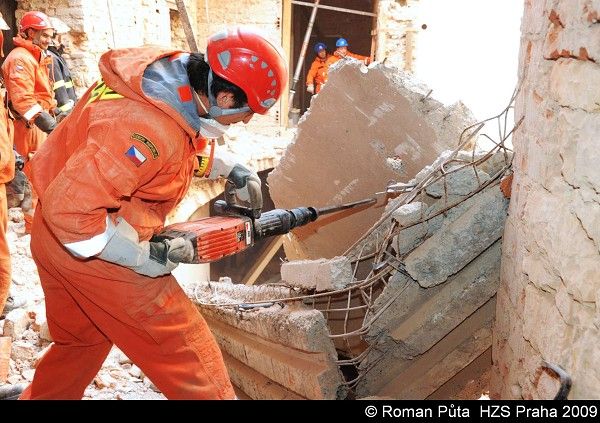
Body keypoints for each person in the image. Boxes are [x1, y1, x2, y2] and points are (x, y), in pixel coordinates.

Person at [20, 27, 287, 399]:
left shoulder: (162, 76)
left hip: (52, 236)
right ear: (224, 95)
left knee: (80, 344)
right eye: (243, 114)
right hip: (93, 242)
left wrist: (225, 166)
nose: (241, 122)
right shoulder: (145, 128)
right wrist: (141, 256)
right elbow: (76, 211)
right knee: (190, 357)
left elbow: (161, 151)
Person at [2, 11, 59, 234]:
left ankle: (41, 223)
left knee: (43, 173)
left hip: (38, 122)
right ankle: (34, 227)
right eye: (44, 35)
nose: (48, 40)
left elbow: (42, 93)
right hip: (29, 125)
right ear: (29, 32)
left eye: (49, 35)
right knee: (35, 174)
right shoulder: (19, 58)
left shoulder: (34, 56)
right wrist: (50, 125)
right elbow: (23, 100)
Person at [47, 17, 77, 114]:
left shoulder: (56, 56)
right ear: (55, 37)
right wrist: (67, 114)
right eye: (63, 36)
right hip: (65, 114)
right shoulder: (52, 58)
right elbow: (59, 91)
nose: (65, 40)